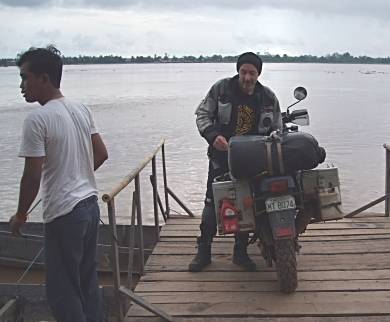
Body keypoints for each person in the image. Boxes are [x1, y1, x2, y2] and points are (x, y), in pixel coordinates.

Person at [9, 46, 108, 322]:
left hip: (65, 214)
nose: (21, 85)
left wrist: (20, 215)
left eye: (24, 77)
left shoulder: (37, 119)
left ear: (44, 78)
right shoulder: (80, 108)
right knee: (87, 281)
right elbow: (101, 154)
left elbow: (31, 177)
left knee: (63, 291)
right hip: (89, 207)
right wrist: (75, 174)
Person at [189, 52, 282, 272]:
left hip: (254, 161)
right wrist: (212, 136)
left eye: (252, 73)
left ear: (259, 74)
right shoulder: (221, 89)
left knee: (248, 204)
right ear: (238, 71)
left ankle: (240, 252)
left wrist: (277, 139)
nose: (247, 77)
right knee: (212, 203)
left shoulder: (268, 97)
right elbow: (202, 114)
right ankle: (204, 251)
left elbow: (278, 127)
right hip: (221, 158)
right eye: (244, 72)